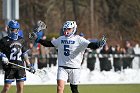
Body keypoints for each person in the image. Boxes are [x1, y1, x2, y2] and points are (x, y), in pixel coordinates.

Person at [30, 21, 106, 93]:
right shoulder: (61, 39)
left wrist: (98, 44)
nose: (66, 30)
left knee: (74, 89)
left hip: (75, 68)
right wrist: (37, 39)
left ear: (74, 29)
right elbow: (48, 44)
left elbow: (90, 45)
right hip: (62, 67)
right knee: (59, 88)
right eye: (65, 29)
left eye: (69, 29)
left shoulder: (79, 39)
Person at [0, 20, 35, 93]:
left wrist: (29, 64)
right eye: (12, 29)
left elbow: (24, 53)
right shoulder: (4, 40)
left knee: (20, 88)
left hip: (20, 67)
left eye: (16, 30)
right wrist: (3, 56)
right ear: (9, 29)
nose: (14, 31)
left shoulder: (21, 40)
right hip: (9, 67)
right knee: (6, 88)